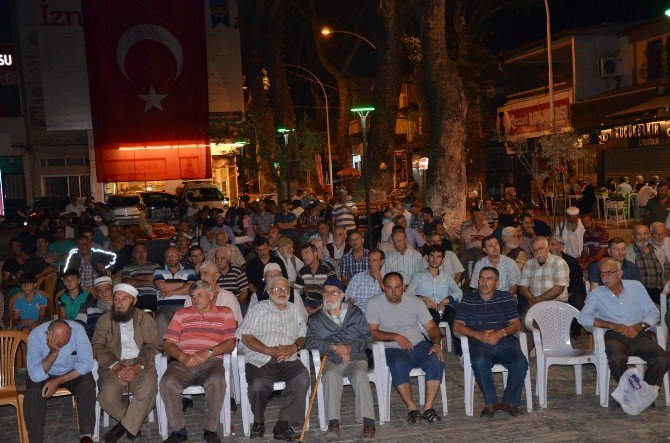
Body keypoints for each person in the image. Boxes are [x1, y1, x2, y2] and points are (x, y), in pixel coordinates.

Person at [579, 258, 670, 400]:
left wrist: (640, 326)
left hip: (638, 334)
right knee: (616, 358)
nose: (605, 277)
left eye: (609, 273)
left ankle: (644, 394)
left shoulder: (636, 287)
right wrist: (612, 325)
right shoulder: (597, 294)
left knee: (663, 358)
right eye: (602, 274)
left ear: (620, 273)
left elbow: (653, 312)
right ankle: (632, 395)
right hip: (614, 335)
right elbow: (583, 318)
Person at [160, 280, 237, 443]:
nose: (195, 299)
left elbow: (231, 342)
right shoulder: (181, 314)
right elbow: (168, 344)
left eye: (200, 295)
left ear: (211, 295)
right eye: (193, 296)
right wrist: (183, 357)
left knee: (217, 380)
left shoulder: (225, 312)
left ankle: (210, 429)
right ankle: (178, 430)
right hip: (183, 362)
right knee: (167, 382)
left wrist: (208, 352)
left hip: (212, 361)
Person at [237, 275, 310, 441]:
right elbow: (246, 336)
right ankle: (259, 420)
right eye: (277, 288)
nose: (282, 291)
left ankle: (282, 425)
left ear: (290, 291)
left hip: (288, 358)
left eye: (285, 288)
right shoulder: (258, 308)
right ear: (269, 291)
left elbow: (304, 336)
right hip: (261, 358)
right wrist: (268, 350)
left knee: (302, 377)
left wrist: (295, 347)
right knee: (259, 384)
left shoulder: (294, 309)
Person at [366, 272, 445, 425]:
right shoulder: (374, 303)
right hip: (393, 348)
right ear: (383, 287)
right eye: (389, 288)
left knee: (436, 359)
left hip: (418, 345)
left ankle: (428, 407)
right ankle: (412, 408)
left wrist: (436, 343)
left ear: (403, 287)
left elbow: (432, 328)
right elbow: (372, 333)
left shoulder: (415, 302)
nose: (394, 292)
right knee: (398, 365)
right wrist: (395, 336)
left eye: (397, 288)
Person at [305, 278, 376, 439]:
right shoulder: (316, 318)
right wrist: (332, 347)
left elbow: (367, 336)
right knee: (330, 375)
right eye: (326, 292)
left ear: (342, 295)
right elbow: (310, 341)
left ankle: (368, 421)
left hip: (356, 357)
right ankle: (333, 423)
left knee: (359, 374)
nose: (329, 296)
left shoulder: (355, 312)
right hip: (331, 359)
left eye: (334, 292)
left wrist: (349, 347)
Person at [454, 267, 529, 418]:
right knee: (480, 361)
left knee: (521, 362)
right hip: (478, 343)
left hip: (504, 342)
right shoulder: (468, 300)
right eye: (481, 278)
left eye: (489, 279)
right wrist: (477, 335)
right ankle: (492, 403)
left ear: (496, 282)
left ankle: (509, 402)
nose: (484, 282)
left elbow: (516, 324)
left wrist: (500, 333)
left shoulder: (506, 298)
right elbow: (457, 326)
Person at [91, 284, 161, 442]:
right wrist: (115, 366)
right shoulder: (104, 320)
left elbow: (154, 346)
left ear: (134, 301)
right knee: (105, 396)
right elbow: (97, 346)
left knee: (148, 388)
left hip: (141, 364)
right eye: (116, 299)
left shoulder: (145, 318)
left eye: (125, 299)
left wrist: (138, 366)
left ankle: (121, 428)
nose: (120, 303)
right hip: (113, 366)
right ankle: (132, 426)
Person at [25, 319, 95, 443]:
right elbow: (35, 375)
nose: (61, 348)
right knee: (34, 392)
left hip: (71, 372)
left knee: (87, 384)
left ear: (71, 332)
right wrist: (53, 352)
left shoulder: (78, 330)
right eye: (59, 345)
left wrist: (58, 381)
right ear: (47, 334)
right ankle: (35, 440)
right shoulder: (35, 335)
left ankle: (86, 435)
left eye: (64, 344)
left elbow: (86, 364)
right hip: (45, 373)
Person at [406, 246, 463, 355]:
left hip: (443, 306)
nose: (435, 259)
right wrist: (423, 298)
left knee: (455, 316)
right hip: (426, 308)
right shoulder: (418, 276)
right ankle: (431, 348)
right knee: (432, 316)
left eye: (438, 257)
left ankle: (460, 352)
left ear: (443, 259)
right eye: (432, 256)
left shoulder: (447, 277)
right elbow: (408, 294)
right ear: (427, 258)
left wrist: (445, 301)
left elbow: (458, 292)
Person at [154, 246, 198, 339]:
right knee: (160, 318)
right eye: (168, 256)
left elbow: (190, 288)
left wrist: (170, 293)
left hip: (185, 306)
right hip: (164, 308)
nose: (170, 258)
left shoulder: (190, 271)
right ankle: (165, 348)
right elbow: (162, 287)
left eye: (173, 255)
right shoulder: (158, 271)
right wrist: (183, 283)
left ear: (180, 257)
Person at [548, 236, 587, 336]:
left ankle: (575, 330)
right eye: (549, 245)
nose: (551, 248)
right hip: (552, 291)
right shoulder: (545, 262)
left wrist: (567, 294)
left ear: (561, 247)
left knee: (578, 301)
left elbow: (577, 283)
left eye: (554, 244)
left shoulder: (572, 262)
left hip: (572, 291)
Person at [518, 237, 569, 310]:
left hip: (557, 304)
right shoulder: (529, 264)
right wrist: (533, 300)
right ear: (531, 251)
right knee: (524, 319)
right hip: (534, 304)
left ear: (548, 248)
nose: (538, 253)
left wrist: (537, 300)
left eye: (541, 248)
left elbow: (559, 289)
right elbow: (523, 287)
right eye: (535, 250)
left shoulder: (559, 262)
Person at [625, 224, 669, 305]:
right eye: (639, 234)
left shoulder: (659, 251)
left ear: (649, 235)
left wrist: (665, 286)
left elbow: (667, 271)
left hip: (658, 290)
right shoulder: (626, 253)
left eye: (645, 233)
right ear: (633, 236)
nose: (643, 237)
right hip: (638, 292)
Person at [295, 243, 337, 313]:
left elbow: (333, 293)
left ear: (315, 254)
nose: (304, 257)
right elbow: (296, 291)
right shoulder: (302, 271)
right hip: (308, 302)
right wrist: (304, 307)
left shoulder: (328, 269)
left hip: (324, 302)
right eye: (302, 254)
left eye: (307, 253)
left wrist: (316, 310)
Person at [120, 243, 161, 312]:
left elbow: (158, 280)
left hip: (152, 296)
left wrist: (134, 278)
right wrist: (149, 280)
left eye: (143, 251)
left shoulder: (155, 266)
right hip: (135, 297)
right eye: (137, 251)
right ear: (133, 255)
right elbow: (126, 283)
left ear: (147, 253)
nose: (141, 253)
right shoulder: (127, 268)